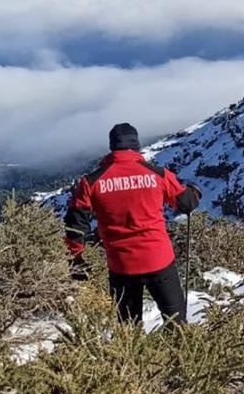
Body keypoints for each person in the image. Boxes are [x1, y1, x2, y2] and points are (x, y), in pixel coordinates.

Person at [64, 123, 202, 326]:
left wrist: (76, 259)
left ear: (112, 147)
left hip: (121, 266)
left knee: (129, 332)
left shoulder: (91, 182)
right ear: (136, 146)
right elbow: (186, 203)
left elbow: (75, 225)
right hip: (160, 261)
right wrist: (195, 192)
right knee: (177, 325)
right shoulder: (158, 175)